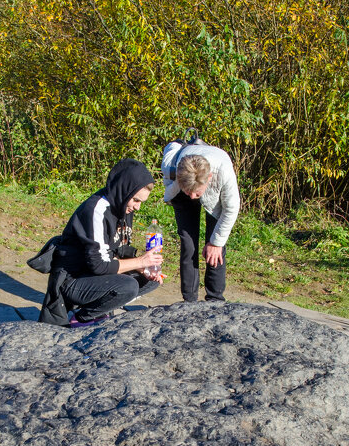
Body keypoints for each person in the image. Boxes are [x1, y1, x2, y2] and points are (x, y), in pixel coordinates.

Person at [39, 158, 164, 327]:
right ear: (124, 190)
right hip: (73, 280)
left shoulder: (123, 207)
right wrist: (139, 262)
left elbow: (118, 249)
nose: (138, 207)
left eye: (141, 202)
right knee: (128, 286)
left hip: (96, 275)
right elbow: (98, 265)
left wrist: (143, 267)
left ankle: (99, 309)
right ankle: (84, 317)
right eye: (136, 200)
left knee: (150, 279)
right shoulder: (96, 209)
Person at [159, 138, 240, 302]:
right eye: (189, 193)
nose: (192, 197)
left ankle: (215, 298)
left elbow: (231, 209)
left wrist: (216, 242)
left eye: (197, 193)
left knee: (216, 246)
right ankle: (189, 299)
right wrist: (185, 191)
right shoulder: (172, 167)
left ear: (209, 178)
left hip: (215, 191)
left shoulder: (223, 172)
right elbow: (170, 191)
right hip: (181, 181)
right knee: (188, 244)